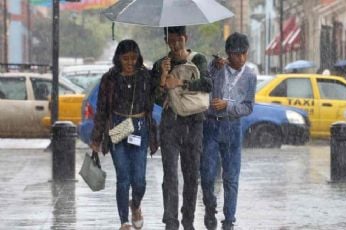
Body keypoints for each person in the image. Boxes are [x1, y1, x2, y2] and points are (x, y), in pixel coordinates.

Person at [90, 39, 157, 230]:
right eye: (126, 58)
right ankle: (124, 221)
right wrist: (96, 140)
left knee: (140, 179)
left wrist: (164, 77)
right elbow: (101, 109)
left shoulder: (145, 76)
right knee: (123, 177)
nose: (130, 62)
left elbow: (159, 93)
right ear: (118, 58)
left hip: (140, 126)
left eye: (133, 58)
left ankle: (135, 205)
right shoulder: (109, 79)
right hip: (117, 127)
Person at [151, 26, 212, 230]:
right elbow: (155, 97)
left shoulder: (198, 59)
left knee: (191, 175)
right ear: (166, 40)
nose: (176, 45)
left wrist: (181, 83)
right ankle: (171, 220)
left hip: (194, 123)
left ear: (186, 38)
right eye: (171, 40)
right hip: (170, 124)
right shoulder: (160, 64)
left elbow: (207, 84)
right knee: (170, 175)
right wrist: (163, 78)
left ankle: (188, 220)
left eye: (180, 40)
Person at [200, 32, 257, 230]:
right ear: (228, 54)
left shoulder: (250, 75)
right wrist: (212, 66)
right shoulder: (217, 69)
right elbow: (203, 87)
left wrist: (227, 106)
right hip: (211, 126)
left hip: (233, 126)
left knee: (231, 177)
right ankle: (210, 207)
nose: (240, 58)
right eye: (236, 54)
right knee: (207, 174)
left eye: (244, 54)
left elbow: (248, 107)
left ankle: (229, 220)